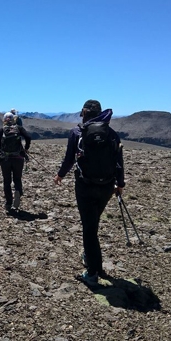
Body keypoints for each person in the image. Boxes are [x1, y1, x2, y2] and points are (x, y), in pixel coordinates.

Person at [53, 100, 125, 286]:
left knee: (89, 228)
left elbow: (70, 159)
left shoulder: (77, 132)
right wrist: (120, 184)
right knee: (93, 224)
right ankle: (95, 261)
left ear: (84, 113)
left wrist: (60, 175)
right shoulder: (111, 134)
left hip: (85, 185)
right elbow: (118, 161)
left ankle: (92, 273)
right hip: (107, 186)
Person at [0, 112, 32, 211]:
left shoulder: (1, 130)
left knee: (7, 181)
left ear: (4, 120)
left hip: (6, 159)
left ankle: (8, 203)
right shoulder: (19, 128)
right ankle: (17, 191)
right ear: (14, 119)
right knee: (17, 178)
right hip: (18, 158)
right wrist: (26, 148)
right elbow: (28, 137)